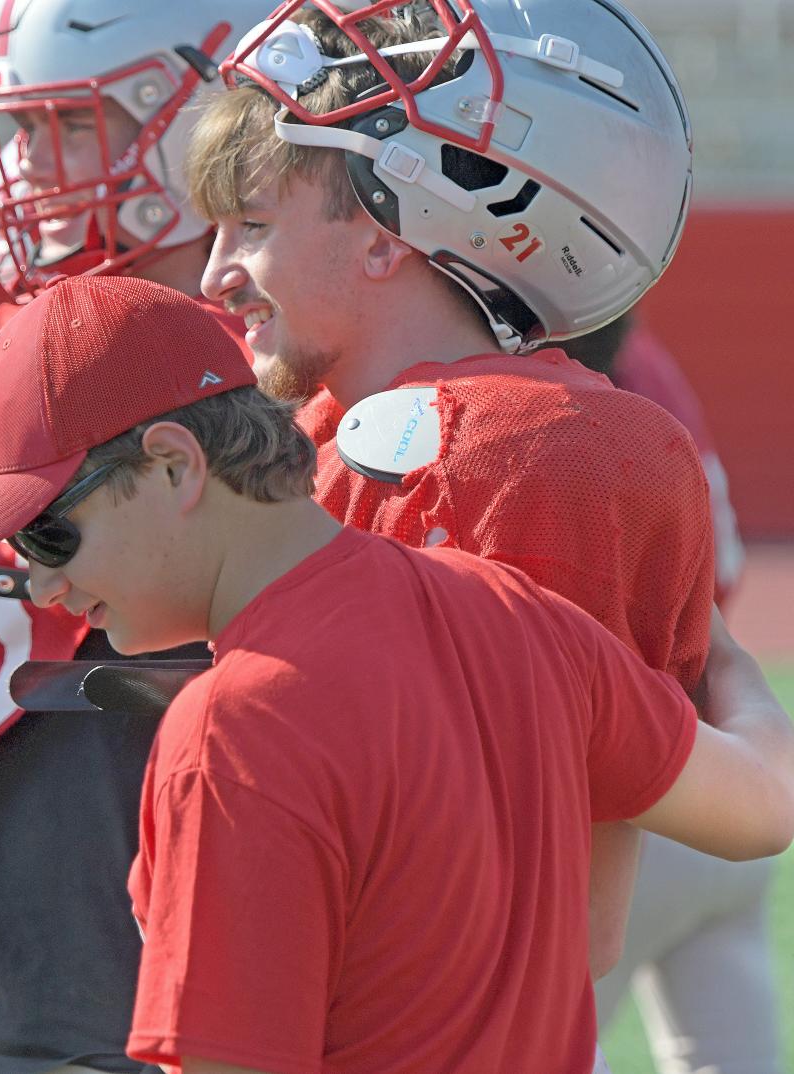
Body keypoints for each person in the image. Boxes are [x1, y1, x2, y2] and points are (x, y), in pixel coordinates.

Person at [0, 275, 794, 1074]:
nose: (43, 584)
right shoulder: (520, 614)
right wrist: (720, 654)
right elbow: (763, 803)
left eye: (48, 533)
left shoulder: (230, 732)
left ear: (174, 465)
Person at [188, 0, 709, 981]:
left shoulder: (518, 448)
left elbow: (552, 920)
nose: (215, 274)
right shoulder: (323, 429)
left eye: (250, 226)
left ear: (389, 232)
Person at [0, 2, 271, 1073]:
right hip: (44, 1006)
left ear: (191, 109)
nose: (22, 167)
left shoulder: (291, 375)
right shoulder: (23, 354)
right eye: (20, 127)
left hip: (222, 1004)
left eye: (62, 126)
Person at [562, 316, 780, 1074]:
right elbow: (717, 575)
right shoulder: (645, 360)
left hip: (628, 801)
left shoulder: (547, 390)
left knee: (552, 1037)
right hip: (714, 754)